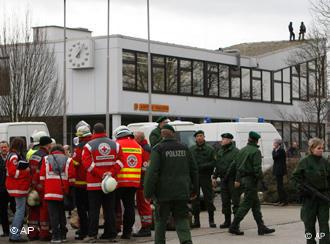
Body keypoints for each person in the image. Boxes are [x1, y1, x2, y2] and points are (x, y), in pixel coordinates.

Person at [144, 124, 199, 244]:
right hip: (182, 192)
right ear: (173, 134)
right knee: (182, 218)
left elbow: (152, 172)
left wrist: (147, 193)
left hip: (163, 193)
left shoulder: (158, 149)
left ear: (162, 135)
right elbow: (194, 170)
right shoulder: (184, 148)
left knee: (160, 220)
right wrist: (194, 189)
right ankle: (186, 241)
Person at [82, 123, 124, 242]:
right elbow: (121, 161)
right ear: (105, 131)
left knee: (94, 210)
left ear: (94, 132)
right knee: (109, 210)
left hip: (94, 185)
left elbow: (87, 164)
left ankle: (92, 235)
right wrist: (110, 173)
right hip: (110, 184)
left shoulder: (88, 146)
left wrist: (101, 174)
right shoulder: (115, 144)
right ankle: (111, 234)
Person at [229, 131, 275, 236]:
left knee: (255, 205)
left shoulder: (242, 151)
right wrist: (262, 181)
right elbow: (257, 169)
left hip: (244, 180)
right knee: (246, 205)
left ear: (249, 139)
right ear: (256, 140)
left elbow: (236, 166)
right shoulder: (256, 152)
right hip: (251, 181)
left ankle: (261, 226)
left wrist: (238, 179)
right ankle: (234, 225)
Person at [291, 138, 330, 244]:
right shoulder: (305, 162)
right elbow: (295, 178)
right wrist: (302, 190)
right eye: (319, 148)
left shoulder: (325, 162)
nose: (321, 150)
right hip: (309, 199)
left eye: (322, 148)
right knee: (309, 225)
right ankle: (310, 241)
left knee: (324, 225)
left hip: (323, 198)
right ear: (312, 149)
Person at [39, 145, 76, 243]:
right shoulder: (68, 160)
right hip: (62, 191)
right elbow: (72, 179)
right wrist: (68, 189)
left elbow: (42, 177)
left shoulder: (46, 159)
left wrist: (46, 187)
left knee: (53, 215)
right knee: (61, 214)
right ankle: (63, 235)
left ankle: (55, 236)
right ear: (62, 151)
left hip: (49, 192)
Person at [113, 126, 143, 239]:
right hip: (133, 182)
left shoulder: (116, 144)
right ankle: (127, 232)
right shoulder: (138, 146)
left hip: (118, 182)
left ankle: (113, 230)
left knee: (114, 207)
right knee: (130, 207)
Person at [27, 136, 53, 241]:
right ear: (48, 145)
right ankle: (44, 234)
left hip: (33, 187)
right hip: (41, 186)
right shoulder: (46, 156)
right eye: (50, 144)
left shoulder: (33, 155)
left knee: (32, 211)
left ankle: (32, 234)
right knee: (43, 211)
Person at [189, 130, 216, 228]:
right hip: (194, 177)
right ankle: (196, 221)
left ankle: (211, 220)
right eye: (197, 136)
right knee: (194, 199)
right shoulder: (191, 149)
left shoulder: (210, 149)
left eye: (201, 136)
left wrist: (202, 166)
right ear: (195, 138)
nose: (199, 138)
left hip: (205, 176)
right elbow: (188, 162)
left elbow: (214, 162)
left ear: (204, 137)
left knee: (208, 199)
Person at [6, 138, 31, 242]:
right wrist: (26, 171)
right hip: (18, 187)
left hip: (14, 186)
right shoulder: (14, 156)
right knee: (20, 212)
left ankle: (14, 234)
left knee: (18, 211)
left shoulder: (10, 155)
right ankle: (15, 235)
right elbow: (13, 172)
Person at [213, 133, 240, 229]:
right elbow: (218, 165)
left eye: (224, 139)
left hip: (232, 180)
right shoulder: (220, 151)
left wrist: (237, 180)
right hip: (223, 179)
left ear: (229, 140)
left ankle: (236, 222)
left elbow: (239, 168)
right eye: (222, 139)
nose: (222, 141)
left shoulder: (236, 152)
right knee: (225, 201)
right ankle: (227, 221)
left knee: (235, 201)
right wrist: (215, 177)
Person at [71, 125, 92, 240]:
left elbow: (75, 163)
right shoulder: (95, 143)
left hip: (81, 183)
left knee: (81, 208)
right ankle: (91, 230)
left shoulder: (80, 146)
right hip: (94, 182)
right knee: (92, 208)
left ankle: (84, 230)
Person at [133, 131, 152, 237]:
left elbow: (145, 167)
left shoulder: (144, 149)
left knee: (144, 204)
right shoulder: (144, 147)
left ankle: (146, 227)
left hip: (143, 182)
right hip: (143, 181)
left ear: (139, 138)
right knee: (143, 204)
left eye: (134, 138)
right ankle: (146, 226)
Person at [0, 141, 15, 237]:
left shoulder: (12, 158)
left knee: (15, 209)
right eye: (2, 147)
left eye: (5, 147)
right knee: (2, 210)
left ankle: (17, 230)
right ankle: (6, 231)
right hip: (1, 189)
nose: (3, 149)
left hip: (12, 188)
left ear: (8, 147)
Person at [272, 139, 288, 206]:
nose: (274, 145)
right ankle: (280, 200)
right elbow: (274, 157)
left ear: (278, 144)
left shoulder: (281, 150)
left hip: (280, 170)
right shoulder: (275, 150)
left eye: (275, 143)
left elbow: (276, 156)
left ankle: (284, 201)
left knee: (280, 186)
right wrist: (274, 151)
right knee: (278, 186)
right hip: (276, 169)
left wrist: (274, 151)